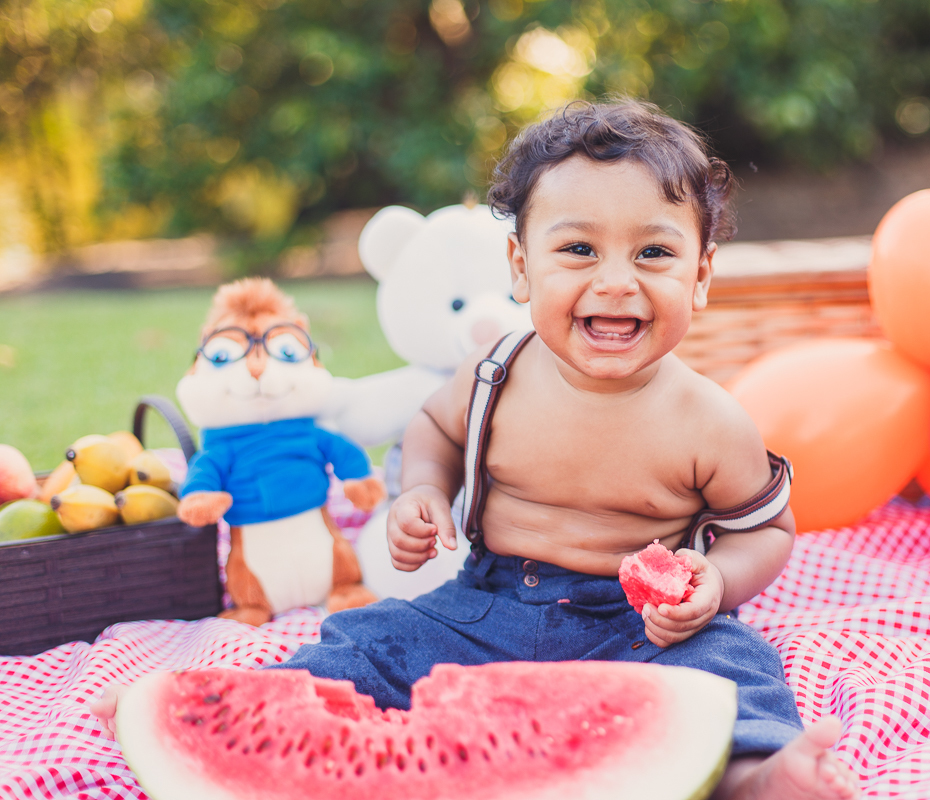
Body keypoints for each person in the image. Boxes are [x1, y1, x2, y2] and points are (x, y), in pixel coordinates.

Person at [94, 100, 860, 800]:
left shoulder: (711, 420)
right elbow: (434, 428)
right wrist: (425, 491)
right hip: (482, 606)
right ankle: (211, 713)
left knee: (736, 667)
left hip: (638, 626)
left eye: (654, 253)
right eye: (579, 249)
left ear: (701, 276)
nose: (616, 282)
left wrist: (715, 583)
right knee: (367, 640)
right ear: (521, 268)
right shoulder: (495, 371)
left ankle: (760, 775)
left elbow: (767, 529)